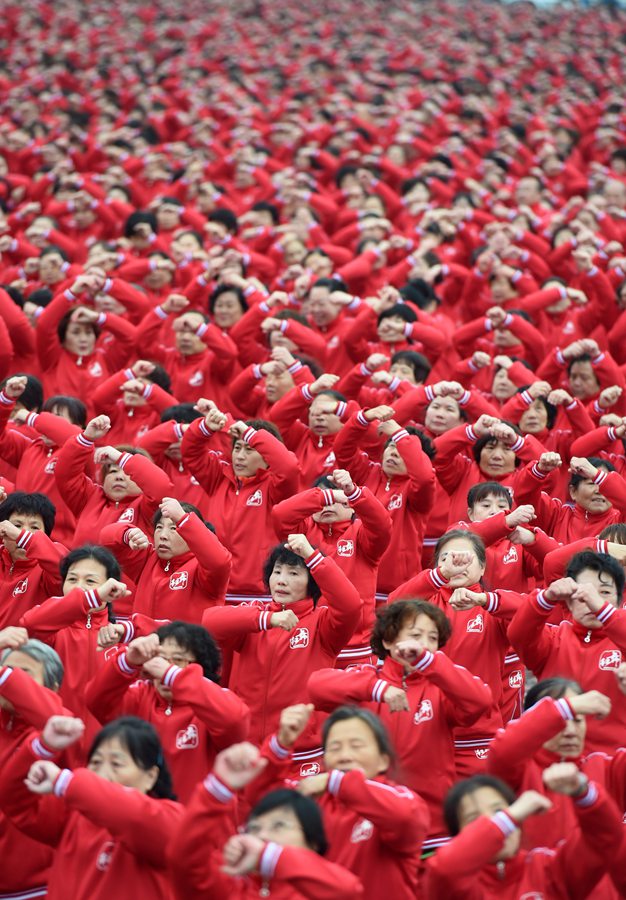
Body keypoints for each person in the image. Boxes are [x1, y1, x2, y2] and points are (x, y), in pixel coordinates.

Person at [307, 599, 493, 852]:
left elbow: (480, 701)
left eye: (432, 638)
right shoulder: (368, 680)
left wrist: (430, 664)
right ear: (388, 641)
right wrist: (378, 689)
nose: (424, 645)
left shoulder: (441, 686)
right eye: (415, 635)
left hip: (431, 827)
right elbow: (316, 686)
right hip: (366, 821)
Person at [254, 704, 429, 900]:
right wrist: (281, 743)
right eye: (335, 748)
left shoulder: (399, 799)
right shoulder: (312, 798)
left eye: (356, 746)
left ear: (383, 760)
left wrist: (338, 782)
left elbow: (406, 817)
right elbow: (260, 795)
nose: (345, 756)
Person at [202, 534, 360, 750]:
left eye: (293, 573)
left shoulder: (322, 623)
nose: (281, 580)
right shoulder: (255, 617)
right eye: (277, 572)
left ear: (312, 582)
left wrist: (312, 556)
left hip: (300, 747)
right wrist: (267, 619)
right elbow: (209, 622)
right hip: (248, 745)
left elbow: (351, 606)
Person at [0, 714, 182, 899]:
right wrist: (43, 746)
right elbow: (13, 799)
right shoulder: (73, 817)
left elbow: (135, 817)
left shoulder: (168, 820)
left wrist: (66, 782)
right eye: (95, 762)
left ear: (150, 776)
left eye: (116, 764)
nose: (101, 773)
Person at [389, 530, 519, 774]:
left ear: (482, 567)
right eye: (447, 558)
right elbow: (392, 607)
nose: (457, 564)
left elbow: (530, 610)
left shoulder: (492, 608)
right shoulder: (423, 605)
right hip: (425, 728)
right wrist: (441, 575)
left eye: (466, 558)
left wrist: (484, 600)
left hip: (478, 733)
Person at [169, 740, 364, 898]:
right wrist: (217, 789)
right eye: (254, 828)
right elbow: (184, 860)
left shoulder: (321, 889)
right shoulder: (231, 889)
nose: (262, 836)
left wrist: (268, 857)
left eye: (279, 825)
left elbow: (349, 892)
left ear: (313, 842)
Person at [85, 622, 249, 802]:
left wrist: (174, 677)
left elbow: (235, 721)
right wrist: (128, 660)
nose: (165, 668)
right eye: (161, 658)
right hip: (139, 811)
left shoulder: (214, 701)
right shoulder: (140, 694)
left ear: (201, 665)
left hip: (197, 814)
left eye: (178, 660)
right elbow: (97, 700)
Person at [424, 764, 624, 899]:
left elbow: (605, 838)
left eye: (498, 810)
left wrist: (582, 791)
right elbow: (444, 869)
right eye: (474, 819)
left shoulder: (548, 869)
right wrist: (508, 817)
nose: (494, 823)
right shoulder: (455, 885)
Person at [508, 550, 626, 754]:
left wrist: (602, 610)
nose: (592, 600)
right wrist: (545, 598)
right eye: (583, 593)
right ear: (569, 602)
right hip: (555, 758)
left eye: (605, 592)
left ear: (620, 601)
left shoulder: (620, 640)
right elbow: (518, 634)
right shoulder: (553, 640)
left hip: (613, 760)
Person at [272, 467, 391, 666]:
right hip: (308, 641)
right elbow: (279, 514)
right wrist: (328, 496)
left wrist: (353, 492)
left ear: (352, 507)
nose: (327, 505)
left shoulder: (362, 535)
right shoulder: (302, 532)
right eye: (323, 501)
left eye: (337, 499)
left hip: (355, 647)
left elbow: (382, 525)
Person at [19, 544, 129, 748]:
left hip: (105, 747)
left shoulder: (121, 635)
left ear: (111, 587)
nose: (79, 587)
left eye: (90, 581)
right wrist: (92, 597)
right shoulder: (51, 625)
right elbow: (29, 624)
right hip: (54, 738)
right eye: (72, 579)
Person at [181, 410, 300, 598]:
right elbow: (191, 452)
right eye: (237, 448)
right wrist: (204, 428)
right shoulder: (218, 477)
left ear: (267, 456)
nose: (240, 456)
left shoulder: (277, 488)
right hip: (217, 590)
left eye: (249, 449)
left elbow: (288, 467)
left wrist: (249, 433)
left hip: (263, 594)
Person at [0, 628, 66, 900]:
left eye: (23, 675)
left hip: (35, 887)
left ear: (52, 688)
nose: (10, 682)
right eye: (7, 672)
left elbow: (57, 719)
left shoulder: (57, 732)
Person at [54, 414, 174, 552]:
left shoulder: (149, 508)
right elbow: (65, 473)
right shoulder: (89, 497)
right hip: (82, 565)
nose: (119, 477)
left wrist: (120, 458)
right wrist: (86, 438)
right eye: (113, 471)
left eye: (128, 473)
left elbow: (161, 486)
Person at [100, 497, 231, 622]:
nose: (163, 535)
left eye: (174, 528)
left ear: (191, 532)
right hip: (142, 638)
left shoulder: (203, 570)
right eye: (159, 527)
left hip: (186, 639)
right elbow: (106, 539)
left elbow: (219, 562)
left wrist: (183, 519)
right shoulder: (147, 560)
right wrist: (128, 534)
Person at [0, 490, 65, 627]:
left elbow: (67, 569)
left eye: (34, 527)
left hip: (26, 641)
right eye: (17, 526)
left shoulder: (48, 567)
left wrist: (22, 537)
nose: (24, 532)